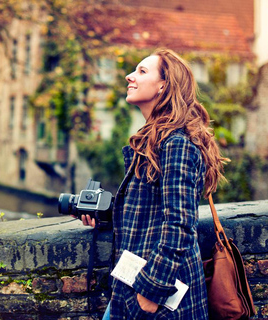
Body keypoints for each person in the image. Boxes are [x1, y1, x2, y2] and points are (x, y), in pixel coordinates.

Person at [80, 49, 228, 319]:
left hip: (160, 296)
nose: (129, 76)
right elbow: (149, 214)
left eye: (141, 71)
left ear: (164, 85)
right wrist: (103, 217)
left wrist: (153, 290)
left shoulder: (177, 144)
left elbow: (180, 223)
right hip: (130, 288)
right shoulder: (153, 141)